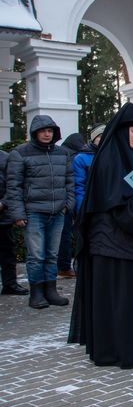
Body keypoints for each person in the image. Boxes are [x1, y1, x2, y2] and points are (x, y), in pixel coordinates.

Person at [68, 103, 133, 368]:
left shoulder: (129, 157)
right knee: (121, 300)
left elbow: (132, 197)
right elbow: (114, 205)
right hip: (113, 245)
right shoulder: (108, 160)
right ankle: (120, 350)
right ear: (121, 130)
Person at [6, 115, 73, 309]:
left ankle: (51, 290)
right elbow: (14, 186)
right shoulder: (20, 154)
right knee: (36, 256)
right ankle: (36, 293)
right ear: (35, 133)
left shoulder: (62, 153)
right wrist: (18, 214)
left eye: (50, 130)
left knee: (52, 254)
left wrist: (68, 204)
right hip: (33, 212)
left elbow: (69, 180)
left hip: (57, 212)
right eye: (43, 130)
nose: (47, 134)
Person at [57, 132, 88, 279]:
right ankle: (64, 266)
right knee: (67, 235)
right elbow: (76, 183)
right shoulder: (76, 157)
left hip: (59, 201)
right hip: (68, 201)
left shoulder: (61, 153)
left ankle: (61, 266)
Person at [0, 151, 27, 296]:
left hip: (3, 214)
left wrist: (3, 202)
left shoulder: (5, 158)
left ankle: (9, 284)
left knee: (8, 251)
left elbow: (13, 184)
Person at [73, 125, 104, 214]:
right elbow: (79, 186)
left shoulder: (111, 155)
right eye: (100, 136)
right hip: (90, 207)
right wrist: (81, 210)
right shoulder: (81, 158)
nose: (103, 139)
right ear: (94, 138)